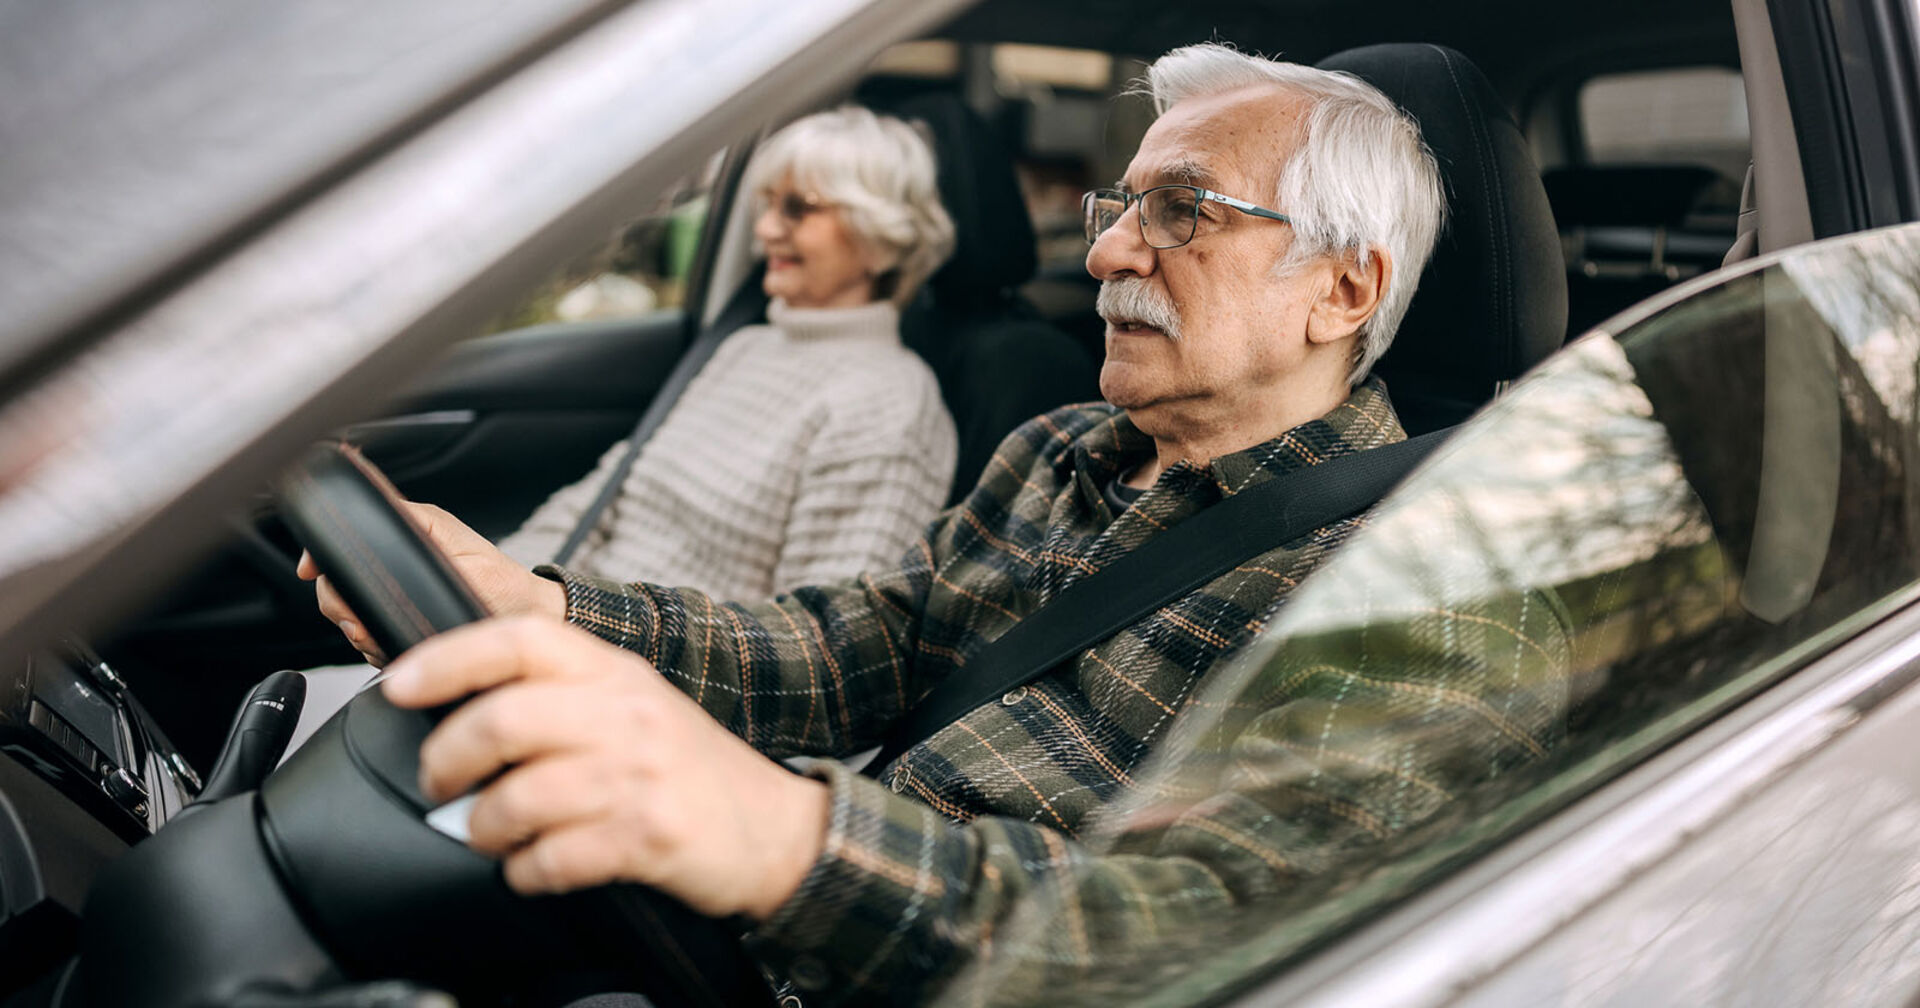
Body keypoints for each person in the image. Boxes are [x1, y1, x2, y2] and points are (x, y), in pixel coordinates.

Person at [305, 43, 1495, 1004]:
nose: (1106, 250)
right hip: (776, 940)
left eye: (1182, 211)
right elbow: (854, 648)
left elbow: (1208, 938)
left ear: (1343, 291)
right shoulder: (1059, 450)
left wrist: (782, 837)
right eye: (1120, 204)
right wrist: (552, 608)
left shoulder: (1420, 588)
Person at [496, 105, 958, 600]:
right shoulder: (744, 347)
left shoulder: (890, 406)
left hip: (635, 663)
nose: (765, 230)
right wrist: (501, 579)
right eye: (768, 205)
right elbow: (602, 496)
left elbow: (814, 646)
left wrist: (557, 616)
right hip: (562, 613)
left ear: (880, 237)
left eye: (798, 208)